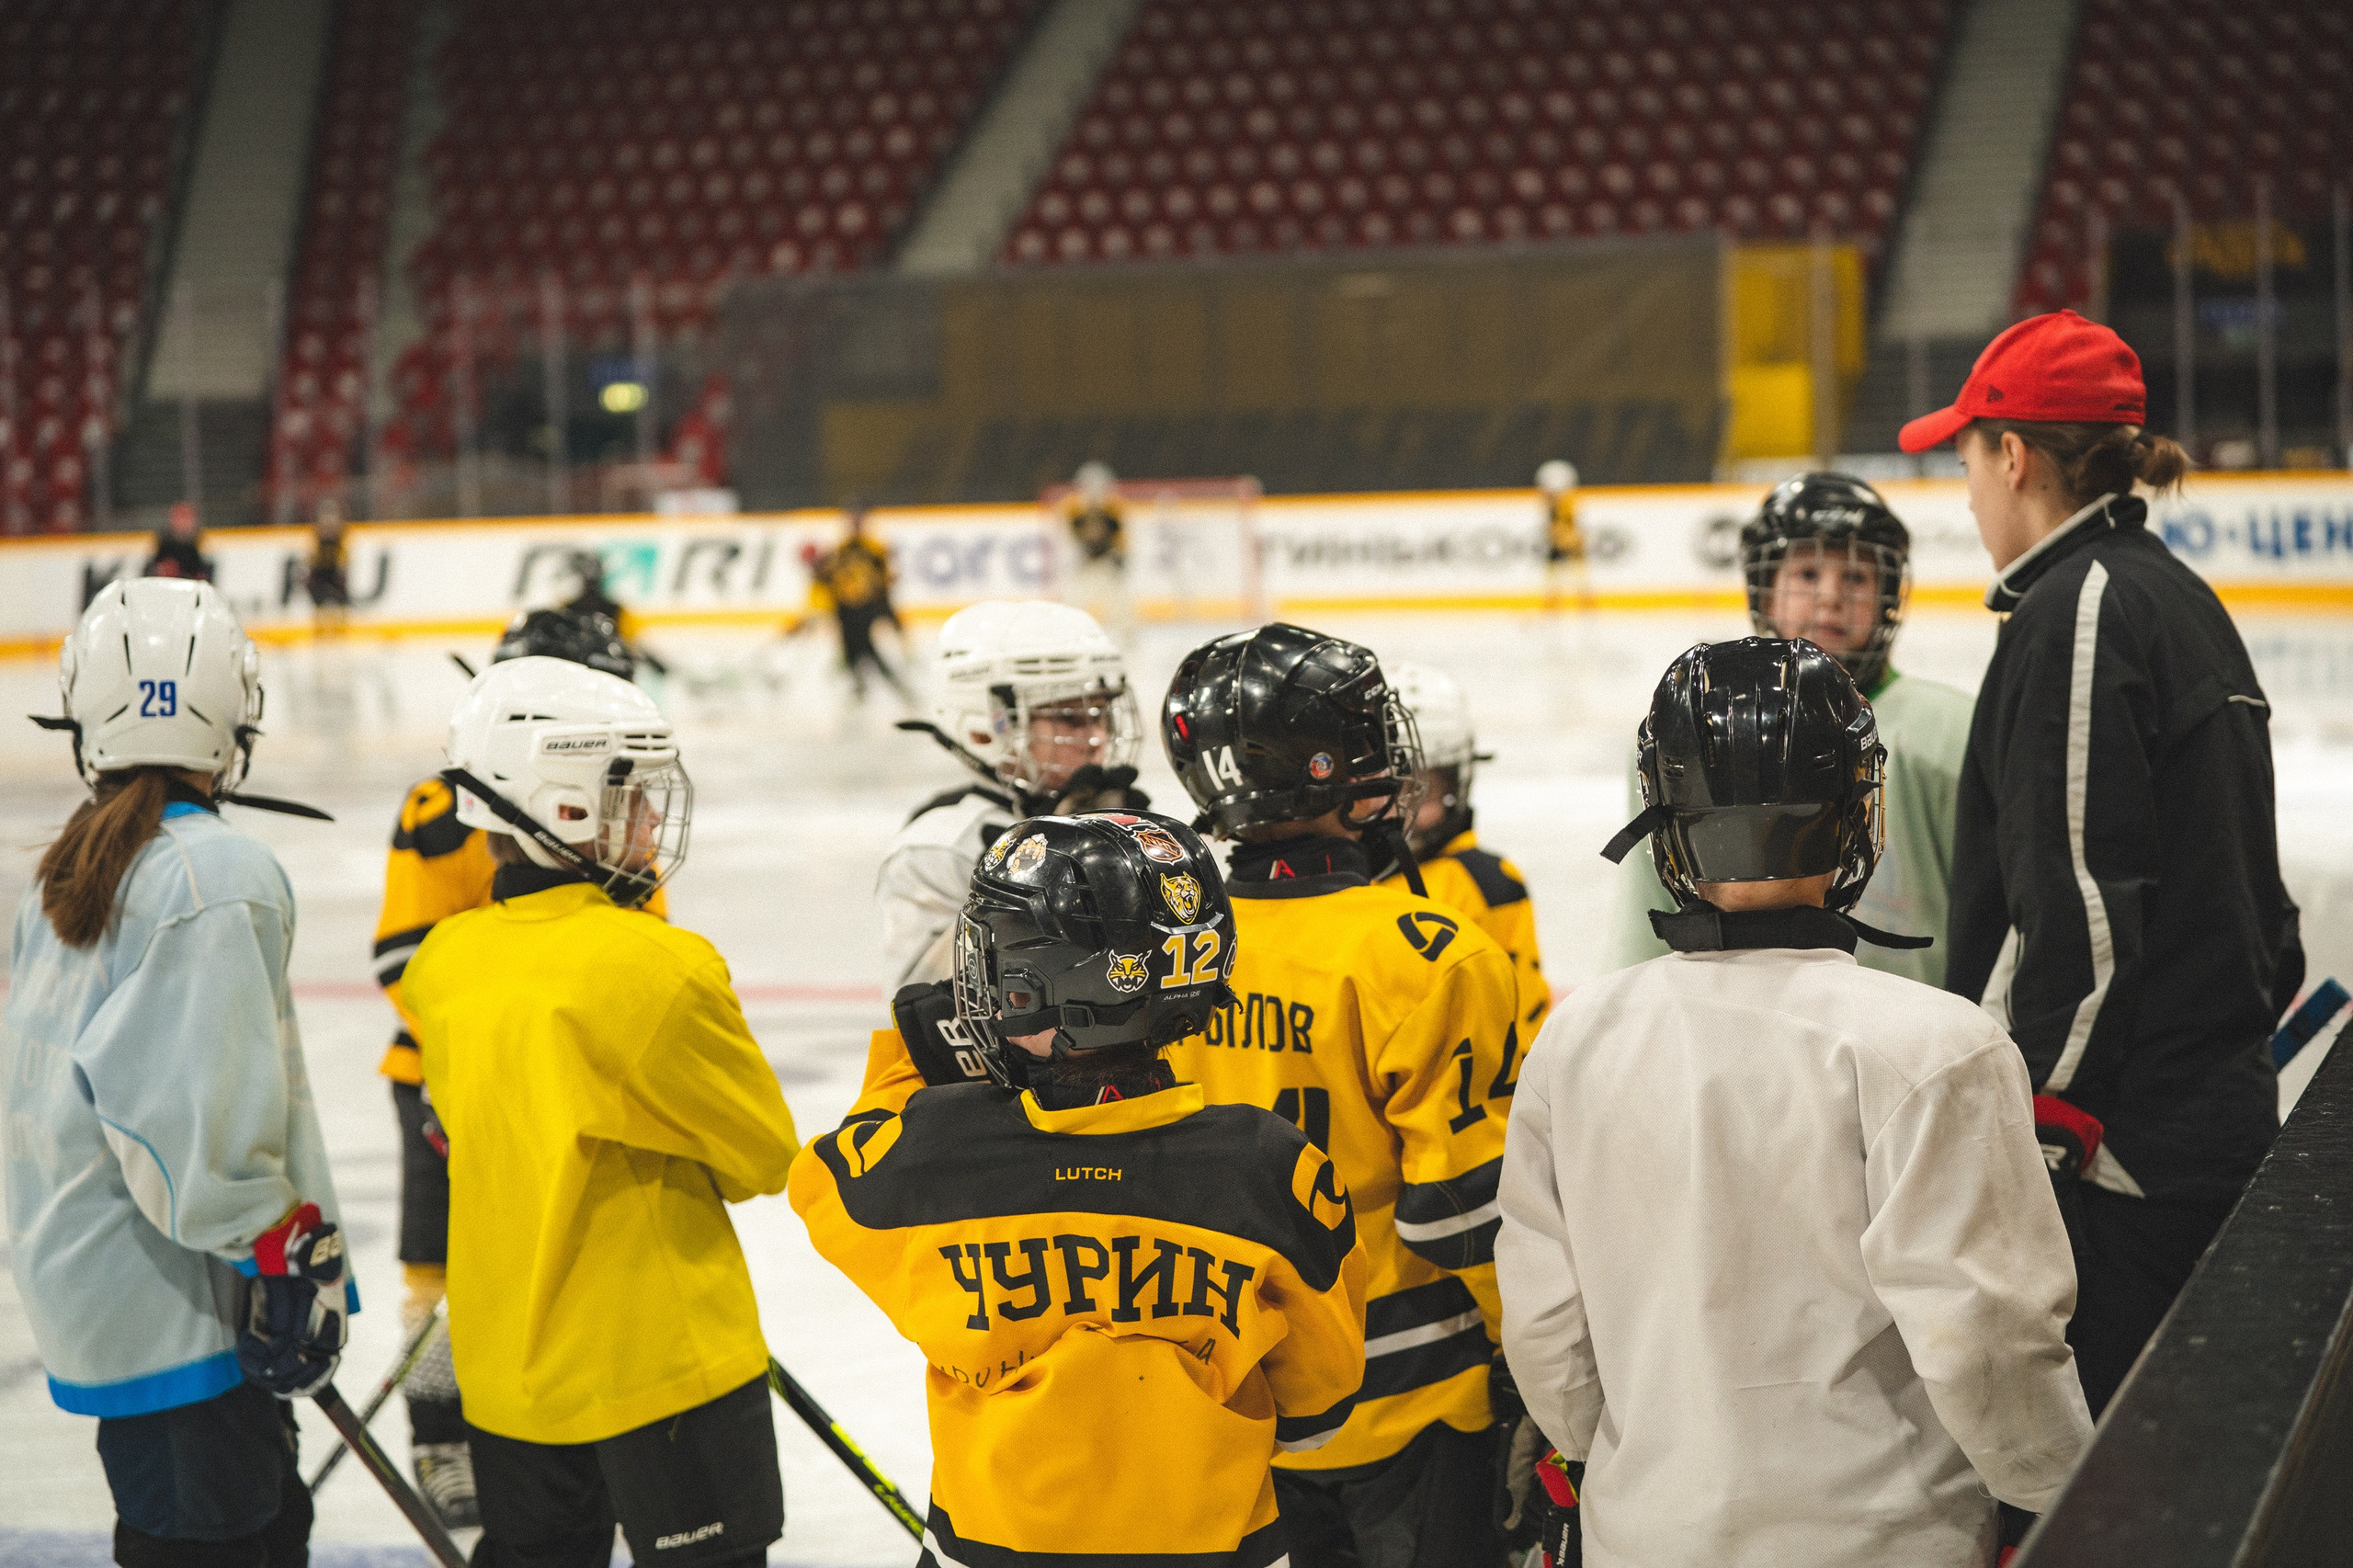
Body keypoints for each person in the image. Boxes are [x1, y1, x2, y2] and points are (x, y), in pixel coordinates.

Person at [1499, 637, 2094, 1568]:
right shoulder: (1936, 1046)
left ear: (1666, 820)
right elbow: (1986, 1337)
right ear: (1856, 814)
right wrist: (2060, 1493)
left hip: (1645, 1537)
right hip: (1885, 1544)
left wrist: (1613, 1453)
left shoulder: (1576, 1039)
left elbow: (1547, 1329)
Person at [1899, 309, 2304, 1415]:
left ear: (2013, 456)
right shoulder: (2170, 594)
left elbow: (2082, 900)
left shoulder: (2079, 611)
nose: (1965, 497)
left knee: (2096, 1473)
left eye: (1965, 463)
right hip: (2197, 1120)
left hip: (2124, 1158)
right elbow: (2256, 899)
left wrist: (2045, 1127)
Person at [796, 812, 1369, 1566]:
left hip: (990, 1548)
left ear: (1051, 988)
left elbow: (823, 1184)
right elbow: (1319, 1408)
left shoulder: (935, 1150)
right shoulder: (1272, 1167)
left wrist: (910, 1057)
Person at [401, 654, 801, 1568]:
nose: (652, 820)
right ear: (566, 807)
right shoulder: (660, 966)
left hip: (507, 1379)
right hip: (665, 1373)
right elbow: (764, 1156)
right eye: (631, 795)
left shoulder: (441, 964)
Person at [1161, 623, 1526, 1567]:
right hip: (1413, 1401)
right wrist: (1535, 1364)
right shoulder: (1428, 954)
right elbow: (1461, 1216)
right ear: (1329, 771)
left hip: (1233, 1398)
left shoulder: (1160, 953)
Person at [4, 579, 351, 1566]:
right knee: (220, 1541)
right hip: (185, 1299)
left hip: (115, 1285)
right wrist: (275, 1249)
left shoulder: (76, 863)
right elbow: (189, 1121)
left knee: (234, 1527)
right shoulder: (212, 874)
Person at [366, 604, 650, 1527]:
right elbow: (403, 958)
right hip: (446, 1081)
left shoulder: (621, 809)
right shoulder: (439, 809)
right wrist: (477, 1067)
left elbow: (642, 959)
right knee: (440, 1267)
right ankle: (440, 1434)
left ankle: (578, 1428)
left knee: (579, 1257)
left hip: (575, 1083)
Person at [1608, 473, 1972, 983]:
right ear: (1765, 590)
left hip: (1917, 1022)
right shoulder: (1692, 733)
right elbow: (1649, 916)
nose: (1830, 597)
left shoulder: (1951, 731)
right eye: (1807, 573)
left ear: (1888, 594)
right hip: (1736, 1017)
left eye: (1856, 578)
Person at [876, 599, 1146, 994]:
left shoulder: (1112, 817)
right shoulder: (940, 849)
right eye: (1070, 718)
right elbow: (924, 1013)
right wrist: (1031, 888)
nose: (1097, 738)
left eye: (1100, 715)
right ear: (988, 725)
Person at [1382, 660, 1552, 1041]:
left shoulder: (1488, 884)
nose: (1402, 810)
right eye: (1390, 788)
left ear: (1457, 784)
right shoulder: (1343, 874)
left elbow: (1520, 1024)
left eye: (1422, 790)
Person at [809, 504, 909, 701]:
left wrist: (886, 609)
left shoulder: (874, 549)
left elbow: (885, 580)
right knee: (851, 650)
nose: (855, 524)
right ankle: (863, 688)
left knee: (865, 649)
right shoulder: (840, 549)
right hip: (845, 608)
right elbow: (829, 578)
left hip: (865, 607)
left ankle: (875, 689)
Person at [1062, 460, 1131, 634]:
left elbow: (1121, 537)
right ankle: (1069, 633)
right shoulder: (1074, 510)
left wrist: (1119, 557)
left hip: (1106, 563)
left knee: (1119, 604)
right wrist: (1074, 557)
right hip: (1085, 565)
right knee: (1074, 601)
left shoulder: (1112, 510)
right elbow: (1068, 537)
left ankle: (1127, 636)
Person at [1537, 460, 1586, 611]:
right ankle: (1553, 603)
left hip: (1566, 541)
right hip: (1559, 541)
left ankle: (1584, 603)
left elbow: (1567, 524)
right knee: (1555, 574)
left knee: (1576, 573)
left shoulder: (1565, 503)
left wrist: (1564, 537)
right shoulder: (1555, 504)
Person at [307, 499, 351, 635]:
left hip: (334, 569)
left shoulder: (341, 532)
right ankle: (319, 627)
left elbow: (344, 552)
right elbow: (312, 552)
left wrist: (343, 567)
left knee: (341, 599)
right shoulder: (317, 532)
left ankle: (341, 627)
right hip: (320, 569)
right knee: (318, 599)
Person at [144, 500, 214, 581]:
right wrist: (159, 571)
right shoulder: (163, 544)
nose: (182, 522)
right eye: (179, 517)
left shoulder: (201, 544)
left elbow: (206, 574)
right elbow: (148, 572)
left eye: (186, 517)